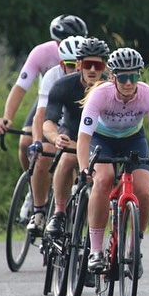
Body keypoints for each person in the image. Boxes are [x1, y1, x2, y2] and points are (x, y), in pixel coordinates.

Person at [77, 47, 149, 275]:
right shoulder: (100, 95)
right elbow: (83, 138)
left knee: (144, 190)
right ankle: (95, 251)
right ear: (112, 77)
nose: (129, 82)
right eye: (123, 77)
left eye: (133, 76)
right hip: (102, 140)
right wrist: (84, 168)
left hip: (133, 139)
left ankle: (134, 247)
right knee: (104, 179)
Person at [0, 15, 88, 224]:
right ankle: (35, 189)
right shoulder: (43, 54)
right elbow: (20, 87)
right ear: (56, 43)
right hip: (50, 99)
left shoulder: (88, 59)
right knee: (28, 143)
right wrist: (8, 117)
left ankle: (65, 197)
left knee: (69, 150)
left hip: (76, 102)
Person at [43, 37, 110, 237]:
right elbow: (48, 122)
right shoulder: (63, 86)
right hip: (71, 133)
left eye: (97, 65)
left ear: (104, 66)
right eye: (87, 64)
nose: (92, 70)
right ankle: (59, 212)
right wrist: (55, 138)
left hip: (101, 138)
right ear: (79, 64)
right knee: (68, 157)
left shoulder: (111, 87)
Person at [24, 34, 84, 233]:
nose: (75, 69)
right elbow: (40, 116)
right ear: (61, 63)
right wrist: (38, 141)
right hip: (55, 123)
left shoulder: (92, 77)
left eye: (79, 64)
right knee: (42, 156)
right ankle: (39, 211)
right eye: (69, 64)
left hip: (78, 126)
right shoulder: (53, 77)